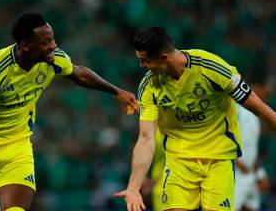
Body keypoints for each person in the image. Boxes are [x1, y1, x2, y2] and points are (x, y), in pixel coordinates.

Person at [0, 12, 138, 211]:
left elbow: (79, 74)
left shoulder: (53, 59)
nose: (53, 46)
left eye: (52, 39)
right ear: (25, 45)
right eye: (45, 42)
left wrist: (116, 91)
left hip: (18, 146)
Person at [114, 27, 276, 211]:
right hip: (179, 161)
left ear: (164, 58)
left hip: (218, 159)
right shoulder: (148, 87)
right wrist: (133, 188)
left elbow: (260, 109)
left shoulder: (212, 69)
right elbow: (146, 139)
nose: (141, 65)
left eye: (145, 60)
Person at [234, 81, 270, 211]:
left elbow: (252, 151)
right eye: (264, 91)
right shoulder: (236, 110)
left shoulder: (255, 117)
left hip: (249, 174)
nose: (267, 96)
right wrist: (236, 161)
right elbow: (221, 137)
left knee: (251, 207)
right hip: (235, 172)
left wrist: (260, 174)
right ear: (253, 87)